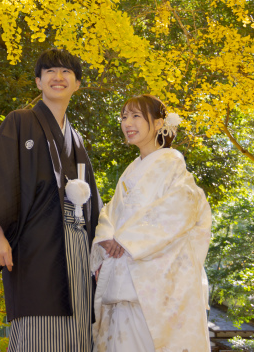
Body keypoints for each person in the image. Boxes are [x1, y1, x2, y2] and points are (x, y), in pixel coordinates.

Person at [0, 48, 103, 352]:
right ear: (38, 82)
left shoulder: (76, 138)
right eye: (50, 71)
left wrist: (100, 250)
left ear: (77, 84)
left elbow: (93, 201)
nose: (58, 77)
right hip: (35, 247)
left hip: (78, 246)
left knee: (80, 329)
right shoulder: (19, 121)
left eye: (66, 72)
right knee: (38, 327)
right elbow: (0, 174)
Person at [90, 95, 211, 352]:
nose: (127, 123)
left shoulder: (173, 165)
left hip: (156, 284)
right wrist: (107, 237)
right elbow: (110, 212)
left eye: (136, 116)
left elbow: (182, 208)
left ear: (158, 124)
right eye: (124, 117)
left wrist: (126, 239)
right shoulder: (131, 170)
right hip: (122, 277)